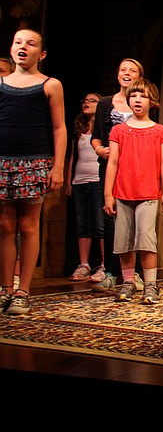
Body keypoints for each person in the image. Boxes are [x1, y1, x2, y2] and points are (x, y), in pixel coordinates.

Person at [0, 29, 66, 315]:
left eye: (31, 43)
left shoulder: (50, 85)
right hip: (3, 161)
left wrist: (58, 166)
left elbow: (59, 128)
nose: (23, 47)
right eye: (18, 42)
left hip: (34, 162)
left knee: (27, 226)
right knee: (4, 226)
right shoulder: (0, 83)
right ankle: (5, 288)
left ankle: (23, 290)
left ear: (42, 53)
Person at [103, 78, 163, 304]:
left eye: (142, 96)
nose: (138, 100)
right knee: (124, 240)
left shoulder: (159, 131)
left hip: (149, 193)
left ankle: (150, 285)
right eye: (134, 96)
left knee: (146, 239)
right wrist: (108, 194)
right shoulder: (118, 130)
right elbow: (112, 162)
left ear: (152, 101)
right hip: (123, 193)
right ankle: (128, 282)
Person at [91, 57, 144, 293]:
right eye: (122, 69)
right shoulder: (105, 103)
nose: (126, 73)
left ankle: (136, 274)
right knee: (111, 218)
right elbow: (96, 135)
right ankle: (112, 271)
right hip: (110, 167)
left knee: (138, 221)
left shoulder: (142, 101)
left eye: (132, 70)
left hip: (137, 169)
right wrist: (98, 148)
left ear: (139, 77)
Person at [65, 92, 106, 282]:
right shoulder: (79, 128)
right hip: (80, 180)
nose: (86, 103)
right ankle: (84, 264)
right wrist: (69, 180)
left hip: (98, 179)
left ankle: (105, 264)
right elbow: (73, 156)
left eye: (92, 101)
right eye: (85, 100)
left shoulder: (102, 128)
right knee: (83, 225)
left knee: (100, 224)